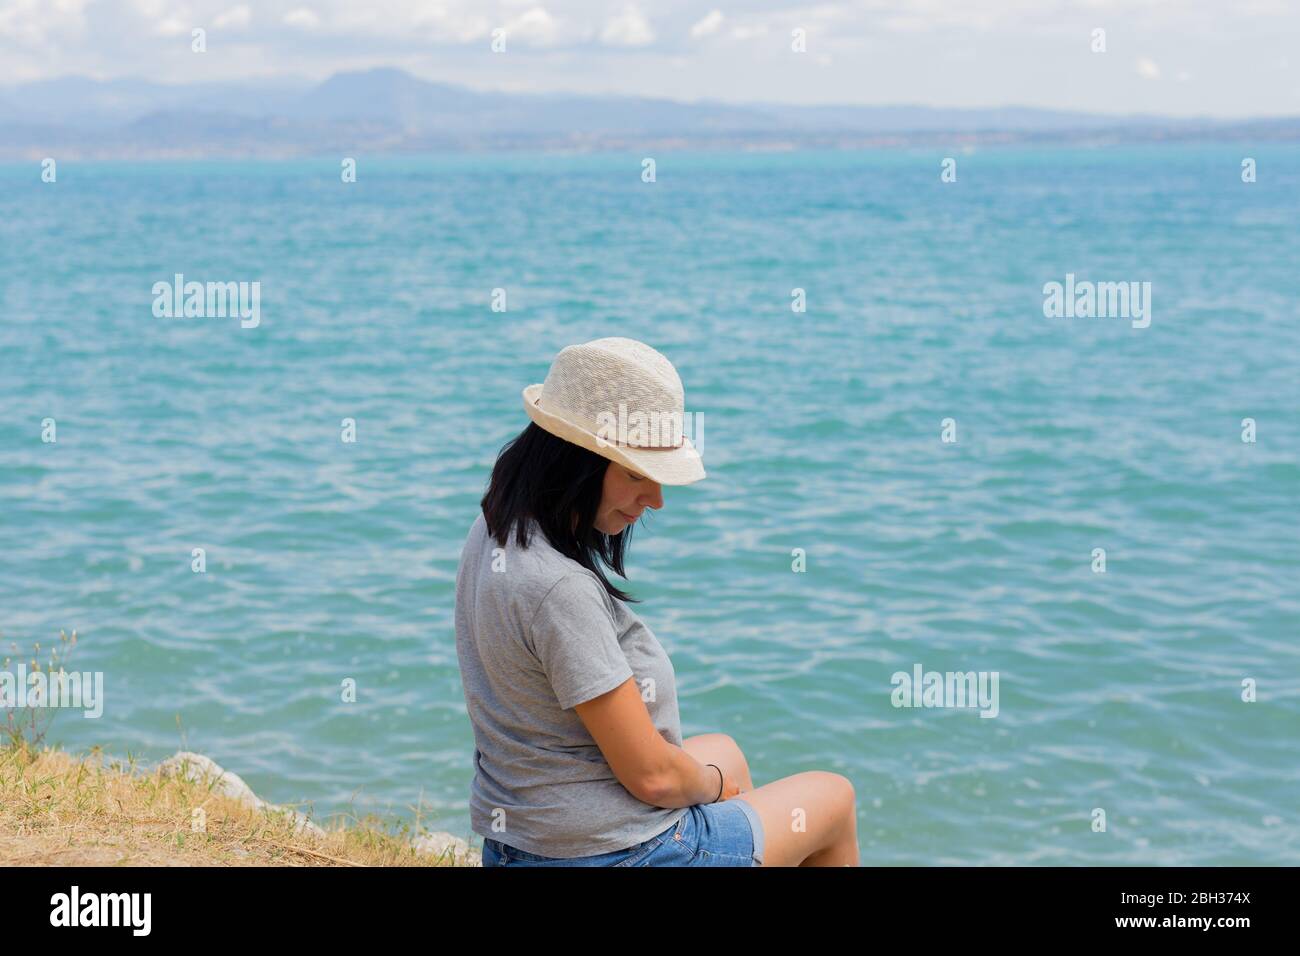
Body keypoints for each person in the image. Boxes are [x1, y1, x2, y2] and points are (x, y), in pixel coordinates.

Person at [454, 336, 859, 866]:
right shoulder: (559, 589)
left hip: (524, 838)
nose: (657, 500)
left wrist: (714, 781)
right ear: (575, 461)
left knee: (727, 754)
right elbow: (653, 776)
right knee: (832, 799)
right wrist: (711, 789)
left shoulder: (496, 525)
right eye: (635, 473)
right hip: (605, 853)